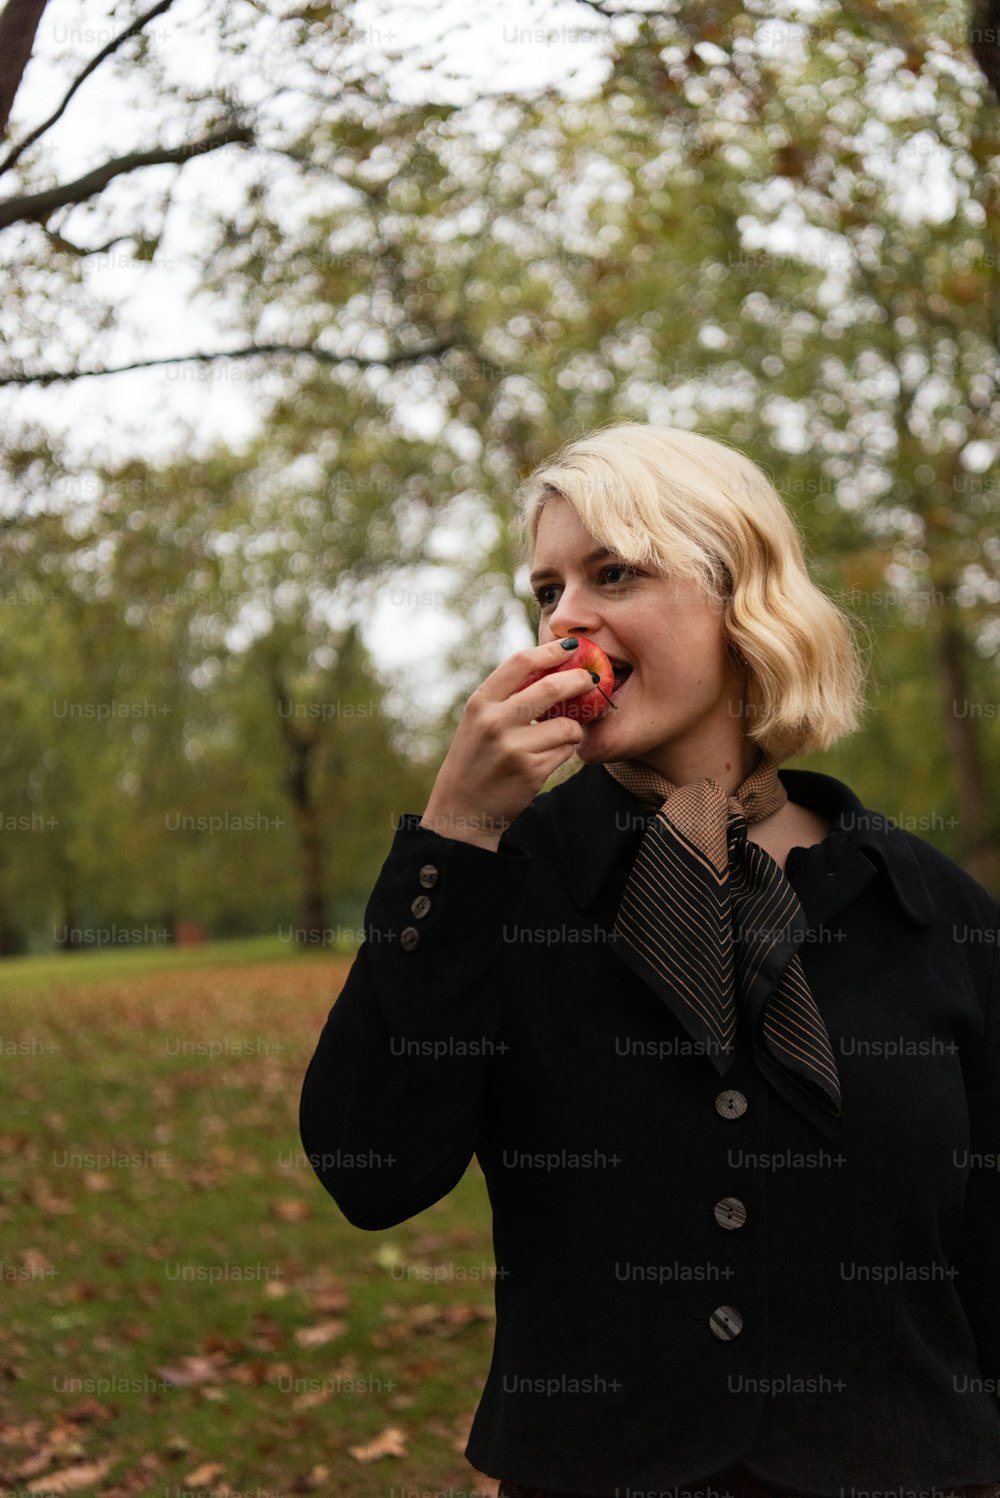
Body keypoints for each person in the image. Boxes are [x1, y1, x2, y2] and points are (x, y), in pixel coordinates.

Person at [299, 424, 1000, 1498]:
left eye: (614, 572)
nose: (565, 616)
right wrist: (452, 832)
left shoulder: (930, 910)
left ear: (739, 596)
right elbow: (368, 1171)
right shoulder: (499, 884)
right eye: (545, 589)